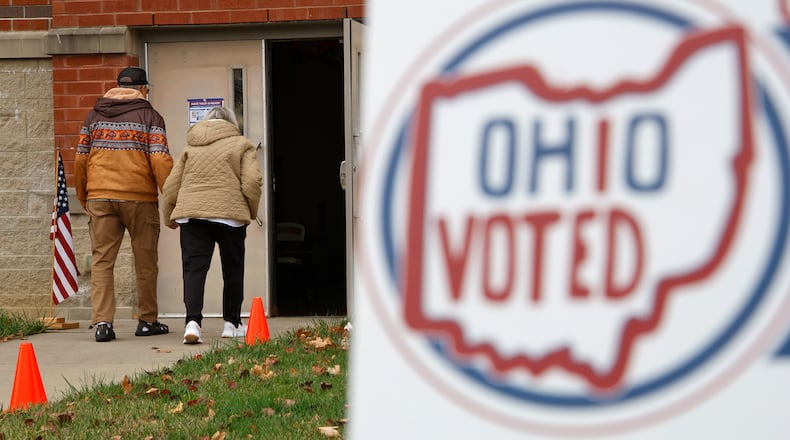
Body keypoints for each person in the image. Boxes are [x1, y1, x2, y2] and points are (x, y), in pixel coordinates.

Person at [75, 66, 173, 342]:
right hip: (139, 197)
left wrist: (84, 196)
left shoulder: (93, 116)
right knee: (145, 260)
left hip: (100, 197)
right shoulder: (150, 116)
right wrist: (172, 198)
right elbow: (160, 159)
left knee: (102, 261)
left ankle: (103, 324)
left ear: (115, 86)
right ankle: (147, 321)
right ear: (143, 89)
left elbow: (81, 159)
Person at [161, 106, 263, 344]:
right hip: (230, 216)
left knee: (194, 270)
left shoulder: (191, 146)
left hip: (193, 216)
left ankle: (192, 323)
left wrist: (169, 217)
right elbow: (251, 183)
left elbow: (171, 186)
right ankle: (232, 323)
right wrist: (250, 211)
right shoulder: (242, 144)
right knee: (233, 268)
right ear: (231, 123)